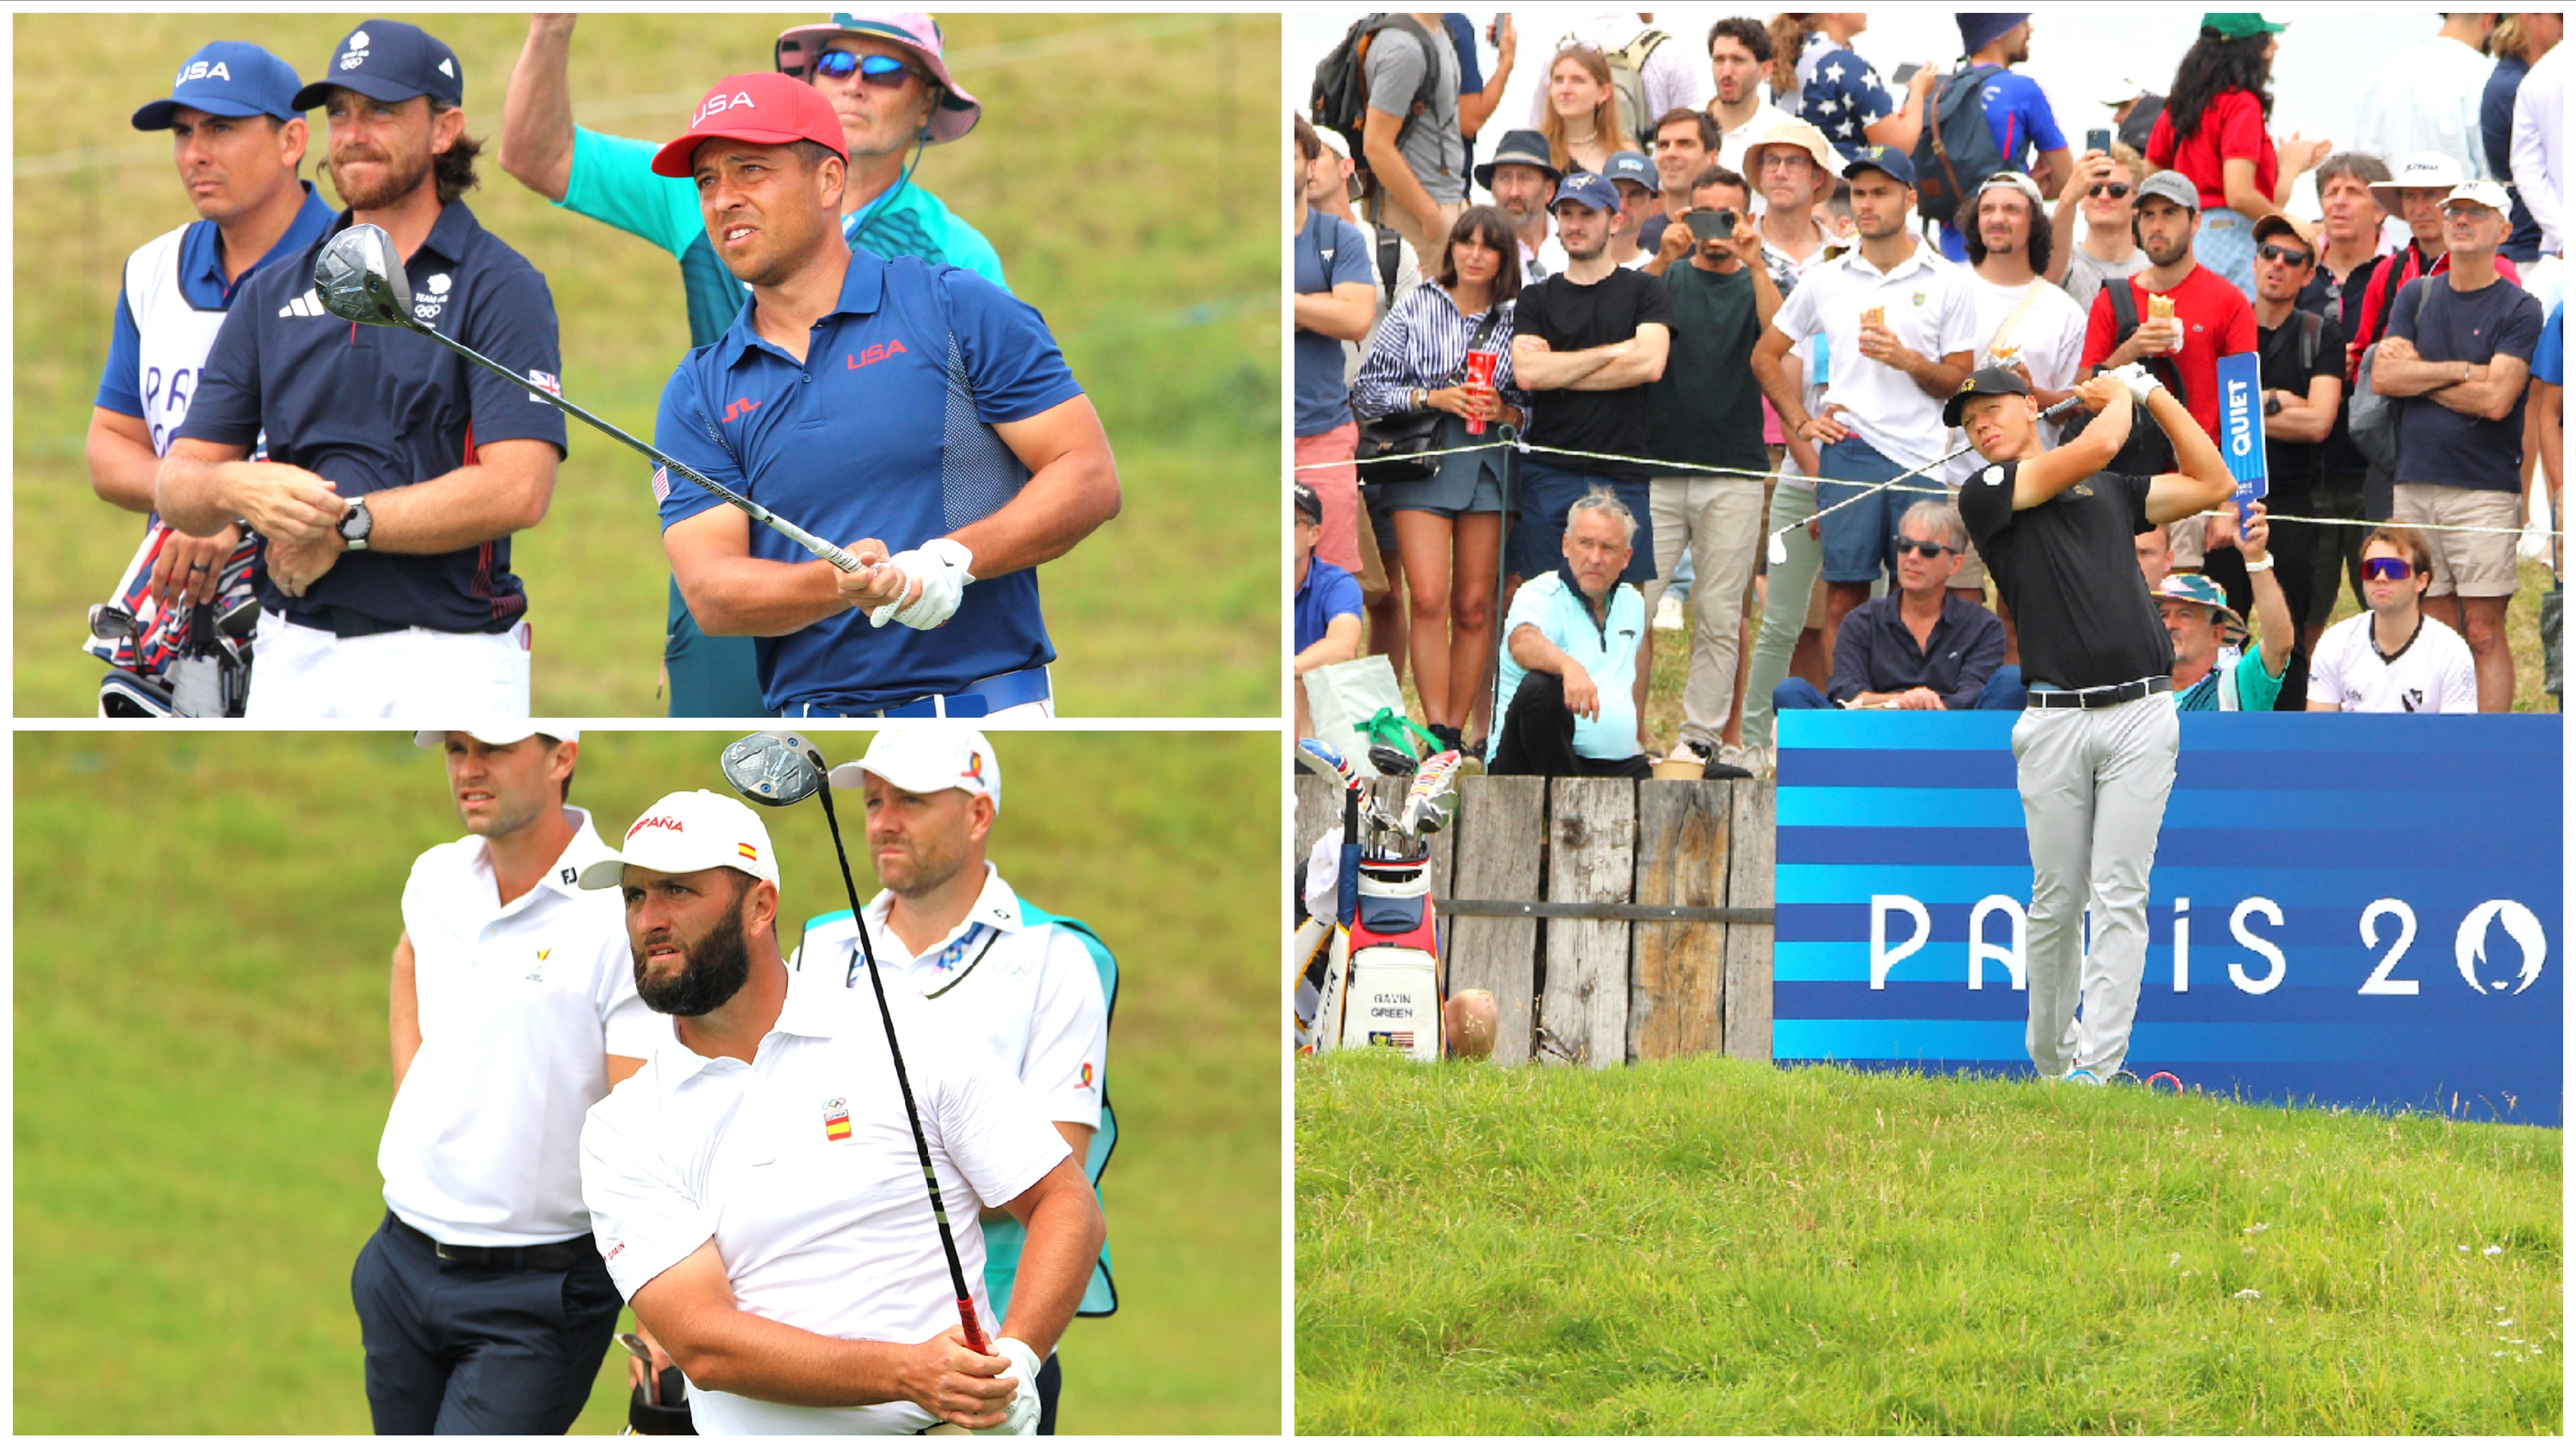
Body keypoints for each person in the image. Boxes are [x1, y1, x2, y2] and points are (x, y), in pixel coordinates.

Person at [499, 12, 1008, 719]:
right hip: (738, 576)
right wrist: (551, 26)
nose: (855, 85)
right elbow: (535, 155)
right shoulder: (707, 194)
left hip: (900, 593)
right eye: (836, 66)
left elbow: (998, 455)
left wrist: (932, 567)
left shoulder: (956, 254)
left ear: (928, 103)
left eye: (886, 70)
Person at [575, 789, 1104, 1435]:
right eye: (635, 896)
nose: (649, 918)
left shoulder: (902, 1027)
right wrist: (910, 1372)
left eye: (677, 891)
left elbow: (1064, 1199)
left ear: (760, 906)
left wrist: (1019, 1359)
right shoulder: (622, 1128)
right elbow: (707, 1344)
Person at [643, 74, 1120, 719]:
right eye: (706, 181)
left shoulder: (954, 305)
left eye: (749, 170)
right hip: (815, 732)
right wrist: (839, 583)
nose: (723, 198)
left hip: (988, 712)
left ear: (829, 181)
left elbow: (1087, 474)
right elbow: (712, 592)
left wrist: (951, 562)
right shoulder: (698, 391)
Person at [157, 21, 567, 719]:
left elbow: (518, 490)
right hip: (288, 648)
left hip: (452, 654)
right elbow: (179, 482)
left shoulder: (500, 285)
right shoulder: (273, 289)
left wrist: (345, 527)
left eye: (381, 111)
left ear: (446, 129)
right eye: (339, 113)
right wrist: (237, 485)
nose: (352, 132)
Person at [786, 729, 1117, 1436]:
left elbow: (1050, 1179)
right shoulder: (818, 948)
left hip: (988, 1348)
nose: (882, 821)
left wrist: (851, 1177)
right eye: (873, 801)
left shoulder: (1056, 959)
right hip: (825, 1341)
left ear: (977, 815)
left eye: (910, 799)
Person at [353, 727, 650, 1433]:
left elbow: (643, 1120)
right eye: (457, 750)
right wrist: (413, 1099)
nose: (469, 769)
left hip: (538, 1294)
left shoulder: (622, 908)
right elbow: (409, 958)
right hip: (400, 1262)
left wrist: (661, 1300)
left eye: (492, 749)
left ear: (561, 758)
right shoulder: (436, 877)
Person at [1951, 364, 2239, 1085]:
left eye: (1992, 410)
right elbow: (2098, 447)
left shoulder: (2108, 493)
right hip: (2053, 721)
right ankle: (2053, 1062)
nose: (1982, 425)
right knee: (2056, 901)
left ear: (2028, 408)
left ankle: (2097, 1071)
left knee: (2121, 893)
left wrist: (2157, 396)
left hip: (2143, 711)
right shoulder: (1986, 492)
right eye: (1970, 420)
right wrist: (2123, 397)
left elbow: (2213, 483)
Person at [86, 42, 336, 713]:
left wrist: (231, 506)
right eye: (183, 133)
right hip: (179, 617)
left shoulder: (356, 266)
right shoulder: (151, 269)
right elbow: (110, 449)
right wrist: (197, 499)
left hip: (328, 622)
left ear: (291, 141)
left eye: (221, 129)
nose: (195, 153)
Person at [1749, 145, 1973, 671]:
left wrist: (1907, 359)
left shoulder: (1947, 280)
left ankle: (1906, 717)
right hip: (1849, 452)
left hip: (1920, 456)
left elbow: (1960, 384)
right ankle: (1847, 709)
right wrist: (1801, 421)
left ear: (1910, 199)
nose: (1867, 204)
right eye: (1861, 193)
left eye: (1881, 192)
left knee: (1917, 593)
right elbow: (1765, 356)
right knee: (1844, 595)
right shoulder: (1828, 277)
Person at [1353, 207, 1527, 751]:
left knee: (1475, 603)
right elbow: (1367, 390)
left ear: (1503, 257)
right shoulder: (1416, 306)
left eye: (1487, 246)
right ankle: (1436, 729)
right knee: (1426, 595)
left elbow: (1536, 402)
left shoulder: (1521, 317)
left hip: (1489, 462)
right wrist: (1430, 396)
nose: (1473, 254)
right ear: (1450, 248)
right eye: (1464, 242)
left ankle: (1458, 728)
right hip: (1424, 458)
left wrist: (1506, 412)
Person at [2372, 180, 2545, 712]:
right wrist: (2460, 372)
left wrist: (2420, 375)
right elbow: (2383, 378)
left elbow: (2497, 399)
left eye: (2477, 212)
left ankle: (2487, 749)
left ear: (2504, 229)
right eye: (2456, 212)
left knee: (2485, 630)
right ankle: (2442, 742)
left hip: (2483, 489)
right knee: (2435, 627)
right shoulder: (2416, 294)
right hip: (2414, 481)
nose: (2462, 220)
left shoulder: (2521, 307)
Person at [1639, 168, 1782, 769]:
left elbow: (1784, 337)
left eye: (1729, 216)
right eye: (1704, 215)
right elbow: (1624, 322)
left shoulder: (1756, 281)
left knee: (1722, 612)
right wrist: (1659, 257)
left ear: (1747, 219)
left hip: (1734, 469)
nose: (1715, 229)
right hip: (1658, 466)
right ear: (1683, 216)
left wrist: (1754, 262)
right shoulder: (1666, 276)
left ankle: (1699, 736)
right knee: (1636, 605)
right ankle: (1623, 732)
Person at [2074, 169, 2257, 603]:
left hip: (2197, 477)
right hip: (2125, 479)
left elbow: (2242, 408)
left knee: (2181, 608)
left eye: (2170, 214)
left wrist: (2235, 504)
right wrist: (2130, 350)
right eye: (2148, 214)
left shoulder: (2227, 300)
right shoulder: (2114, 298)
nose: (2157, 226)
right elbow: (2084, 391)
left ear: (2196, 222)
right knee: (2114, 602)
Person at [1507, 171, 1672, 597]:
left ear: (1614, 222)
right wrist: (1615, 351)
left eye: (1587, 214)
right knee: (1542, 600)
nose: (1575, 224)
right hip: (1549, 470)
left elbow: (1650, 364)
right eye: (1566, 214)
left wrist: (1559, 372)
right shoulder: (1536, 299)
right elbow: (1528, 375)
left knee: (1626, 611)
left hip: (1624, 472)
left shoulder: (1646, 291)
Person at [1948, 170, 2089, 647]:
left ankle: (2021, 716)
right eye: (1988, 209)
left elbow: (2078, 402)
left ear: (2035, 224)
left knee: (2022, 614)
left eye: (2011, 209)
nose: (1997, 219)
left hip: (2031, 480)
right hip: (1951, 477)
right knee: (1958, 615)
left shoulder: (2064, 310)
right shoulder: (1949, 289)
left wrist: (2033, 395)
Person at [2145, 11, 2330, 299]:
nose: (2274, 47)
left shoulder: (2179, 109)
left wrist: (2291, 169)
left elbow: (2152, 179)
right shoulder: (2241, 105)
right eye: (2266, 40)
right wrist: (2294, 226)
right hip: (2233, 247)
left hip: (2187, 245)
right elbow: (2240, 196)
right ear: (2247, 50)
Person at [1770, 499, 2018, 711]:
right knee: (1791, 692)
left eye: (1928, 550)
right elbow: (1846, 693)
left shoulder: (1983, 626)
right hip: (1871, 737)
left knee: (2013, 680)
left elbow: (1973, 695)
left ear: (1955, 563)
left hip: (1952, 737)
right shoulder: (1860, 622)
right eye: (1905, 546)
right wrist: (1901, 701)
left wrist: (1925, 704)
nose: (1912, 557)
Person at [2240, 214, 2348, 671]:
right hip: (2227, 496)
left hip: (2290, 501)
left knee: (2292, 635)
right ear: (2255, 262)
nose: (2277, 265)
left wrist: (2245, 408)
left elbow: (2319, 423)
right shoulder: (2230, 322)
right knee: (2216, 628)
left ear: (2309, 274)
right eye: (2269, 253)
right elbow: (2208, 416)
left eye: (2293, 258)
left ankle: (2285, 735)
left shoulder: (2320, 332)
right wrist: (2280, 403)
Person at [2294, 152, 2393, 647]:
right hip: (2309, 465)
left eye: (2353, 190)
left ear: (2381, 209)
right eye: (2331, 190)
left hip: (2376, 466)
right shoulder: (2298, 275)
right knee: (2305, 615)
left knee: (2391, 608)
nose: (2339, 200)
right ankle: (2301, 722)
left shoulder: (2400, 274)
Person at [1488, 489, 1652, 778]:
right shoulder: (1540, 592)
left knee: (1724, 776)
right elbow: (1522, 641)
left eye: (1608, 548)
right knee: (1542, 689)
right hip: (1529, 760)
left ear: (1626, 557)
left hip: (1614, 764)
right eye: (1585, 544)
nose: (1595, 558)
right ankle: (1565, 805)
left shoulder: (1633, 603)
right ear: (1566, 545)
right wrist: (1568, 667)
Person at [1294, 117, 1379, 583]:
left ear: (1309, 167)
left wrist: (1290, 304)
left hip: (1323, 434)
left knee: (1330, 584)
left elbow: (1356, 318)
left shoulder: (1339, 236)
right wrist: (1322, 304)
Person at [1931, 14, 2073, 265]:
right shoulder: (2021, 90)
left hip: (1950, 256)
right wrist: (2029, 184)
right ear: (1999, 31)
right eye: (2021, 22)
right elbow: (2069, 181)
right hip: (2007, 257)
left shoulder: (1936, 92)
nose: (2030, 29)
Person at [2304, 527, 2479, 711]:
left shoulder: (2452, 652)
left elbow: (2455, 736)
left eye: (2394, 569)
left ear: (2421, 581)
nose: (2380, 577)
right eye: (2370, 569)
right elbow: (2320, 730)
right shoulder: (2335, 643)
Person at [2157, 503, 2295, 711]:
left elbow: (2279, 646)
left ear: (2217, 633)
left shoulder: (2235, 689)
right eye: (2162, 615)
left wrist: (2256, 559)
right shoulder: (2138, 692)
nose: (2169, 624)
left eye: (2185, 615)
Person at [1362, 11, 1468, 262]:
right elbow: (1376, 145)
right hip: (1413, 218)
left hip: (1444, 205)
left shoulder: (1438, 31)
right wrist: (1429, 216)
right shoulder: (1404, 48)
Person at [2351, 11, 2502, 182]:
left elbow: (2366, 170)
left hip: (2393, 205)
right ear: (2489, 19)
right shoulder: (2485, 77)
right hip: (2464, 207)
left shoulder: (2379, 79)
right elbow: (2493, 171)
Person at [1765, 13, 1937, 163]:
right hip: (1844, 192)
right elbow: (1896, 147)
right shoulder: (1846, 65)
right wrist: (1919, 91)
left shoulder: (1790, 61)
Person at [1521, 12, 1714, 146]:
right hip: (1638, 189)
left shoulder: (1559, 52)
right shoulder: (1668, 52)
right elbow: (1692, 137)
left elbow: (1536, 133)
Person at [2482, 14, 2562, 262]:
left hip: (2543, 241)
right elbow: (2524, 171)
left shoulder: (2531, 78)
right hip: (2530, 244)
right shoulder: (2522, 83)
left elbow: (2526, 170)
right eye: (2561, 15)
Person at [2046, 142, 2152, 317]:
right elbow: (2047, 276)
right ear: (2081, 198)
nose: (2104, 197)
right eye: (2094, 189)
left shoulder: (2153, 269)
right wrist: (2068, 198)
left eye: (2117, 190)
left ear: (2136, 202)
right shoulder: (2064, 263)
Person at [1292, 482, 1365, 740]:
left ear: (1314, 534)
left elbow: (1344, 646)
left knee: (1299, 682)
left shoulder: (1337, 584)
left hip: (1315, 716)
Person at [1703, 18, 1795, 175]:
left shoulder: (1788, 132)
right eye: (1719, 60)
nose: (1726, 72)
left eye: (1738, 61)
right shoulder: (1683, 127)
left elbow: (1845, 179)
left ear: (1765, 70)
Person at [1474, 129, 1566, 283]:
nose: (1514, 192)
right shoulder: (1476, 251)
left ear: (1549, 190)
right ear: (1492, 188)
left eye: (1525, 179)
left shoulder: (1572, 244)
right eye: (1505, 178)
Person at [1636, 107, 1721, 256]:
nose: (1671, 153)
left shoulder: (1730, 237)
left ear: (1712, 158)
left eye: (1684, 144)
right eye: (1663, 145)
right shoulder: (1639, 239)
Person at [2511, 38, 2565, 257]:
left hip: (2559, 245)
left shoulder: (2541, 74)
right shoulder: (2542, 76)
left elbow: (2527, 171)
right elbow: (2527, 170)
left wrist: (2563, 235)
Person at [1539, 45, 1626, 178]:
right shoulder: (1536, 151)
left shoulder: (1624, 156)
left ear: (1604, 92)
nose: (1565, 90)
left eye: (1578, 81)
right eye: (1559, 80)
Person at [1602, 150, 1662, 268]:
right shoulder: (1564, 260)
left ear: (1654, 207)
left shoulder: (1657, 270)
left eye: (1636, 195)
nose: (1622, 206)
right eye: (1614, 193)